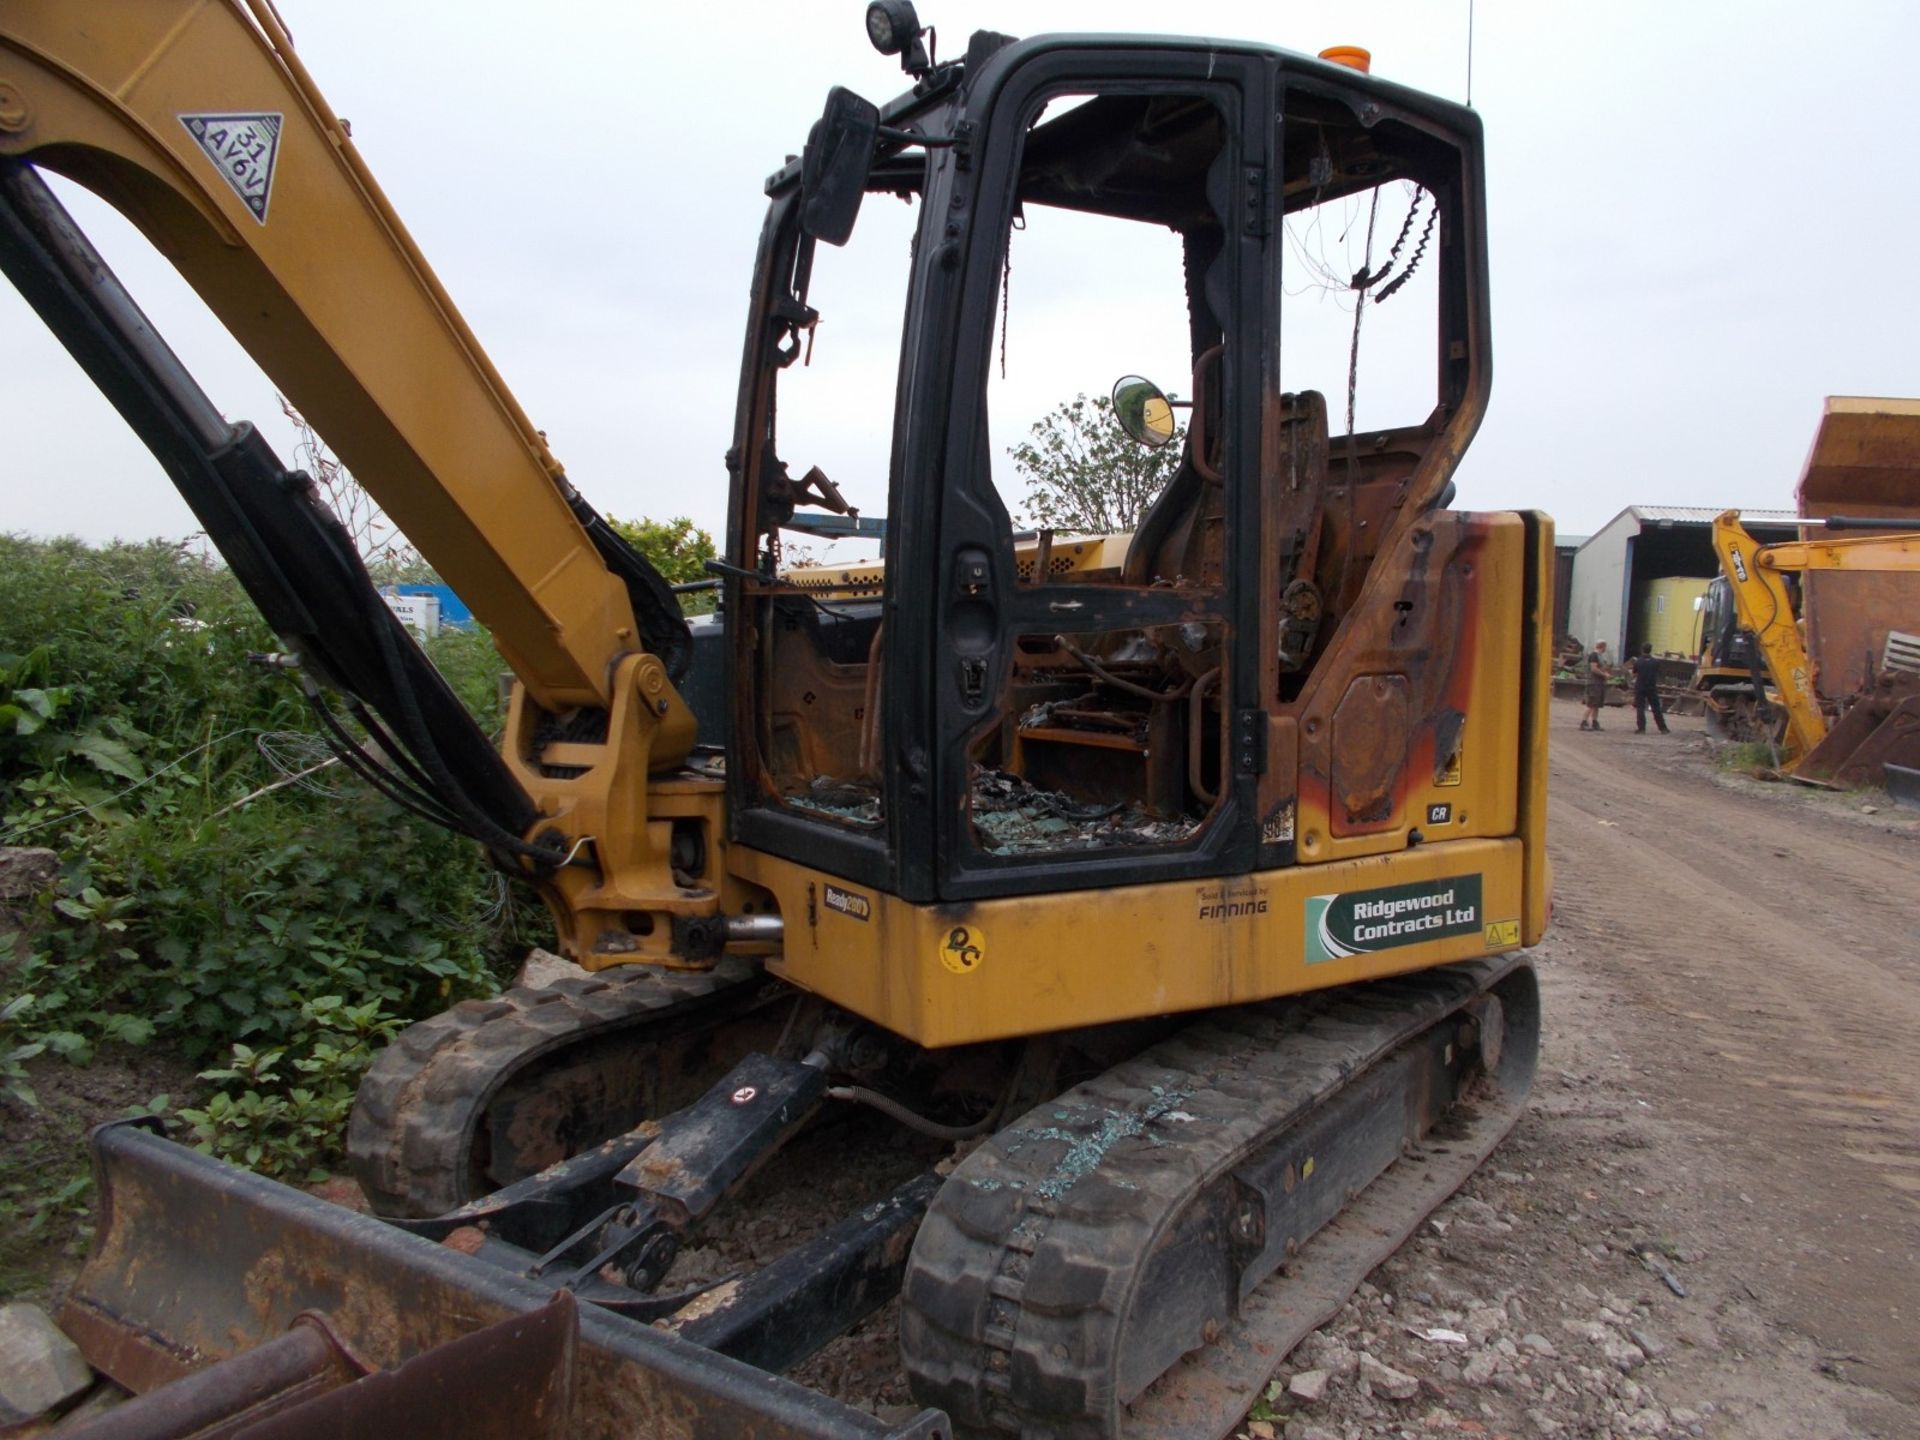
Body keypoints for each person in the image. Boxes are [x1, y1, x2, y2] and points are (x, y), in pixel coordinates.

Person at [1630, 642, 1670, 734]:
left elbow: (1634, 674)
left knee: (1640, 707)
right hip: (1651, 687)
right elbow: (1659, 673)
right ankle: (1663, 728)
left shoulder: (1638, 661)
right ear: (1650, 650)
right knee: (1656, 707)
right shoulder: (1655, 662)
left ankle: (1641, 728)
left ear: (1642, 649)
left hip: (1640, 686)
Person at [1579, 640, 1610, 730]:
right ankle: (1584, 722)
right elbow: (1593, 668)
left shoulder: (1600, 656)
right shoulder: (1594, 655)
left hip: (1599, 683)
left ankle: (1594, 722)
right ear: (1603, 647)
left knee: (1597, 704)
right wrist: (1604, 674)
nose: (1605, 649)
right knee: (1591, 704)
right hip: (1594, 683)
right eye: (1605, 647)